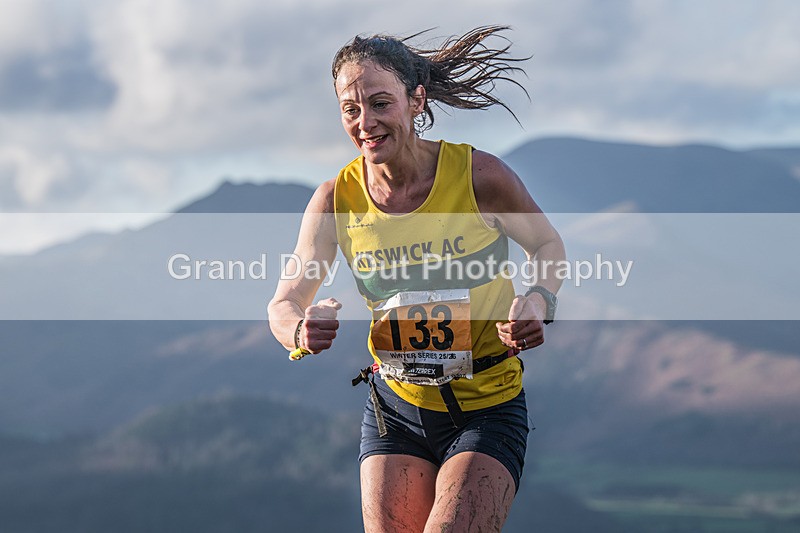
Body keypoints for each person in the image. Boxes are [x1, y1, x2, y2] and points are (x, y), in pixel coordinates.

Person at [268, 25, 565, 532]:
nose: (365, 122)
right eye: (350, 109)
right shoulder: (334, 201)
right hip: (396, 409)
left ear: (416, 100)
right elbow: (284, 301)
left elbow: (548, 247)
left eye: (381, 104)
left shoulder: (479, 177)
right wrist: (299, 330)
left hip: (486, 406)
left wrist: (539, 300)